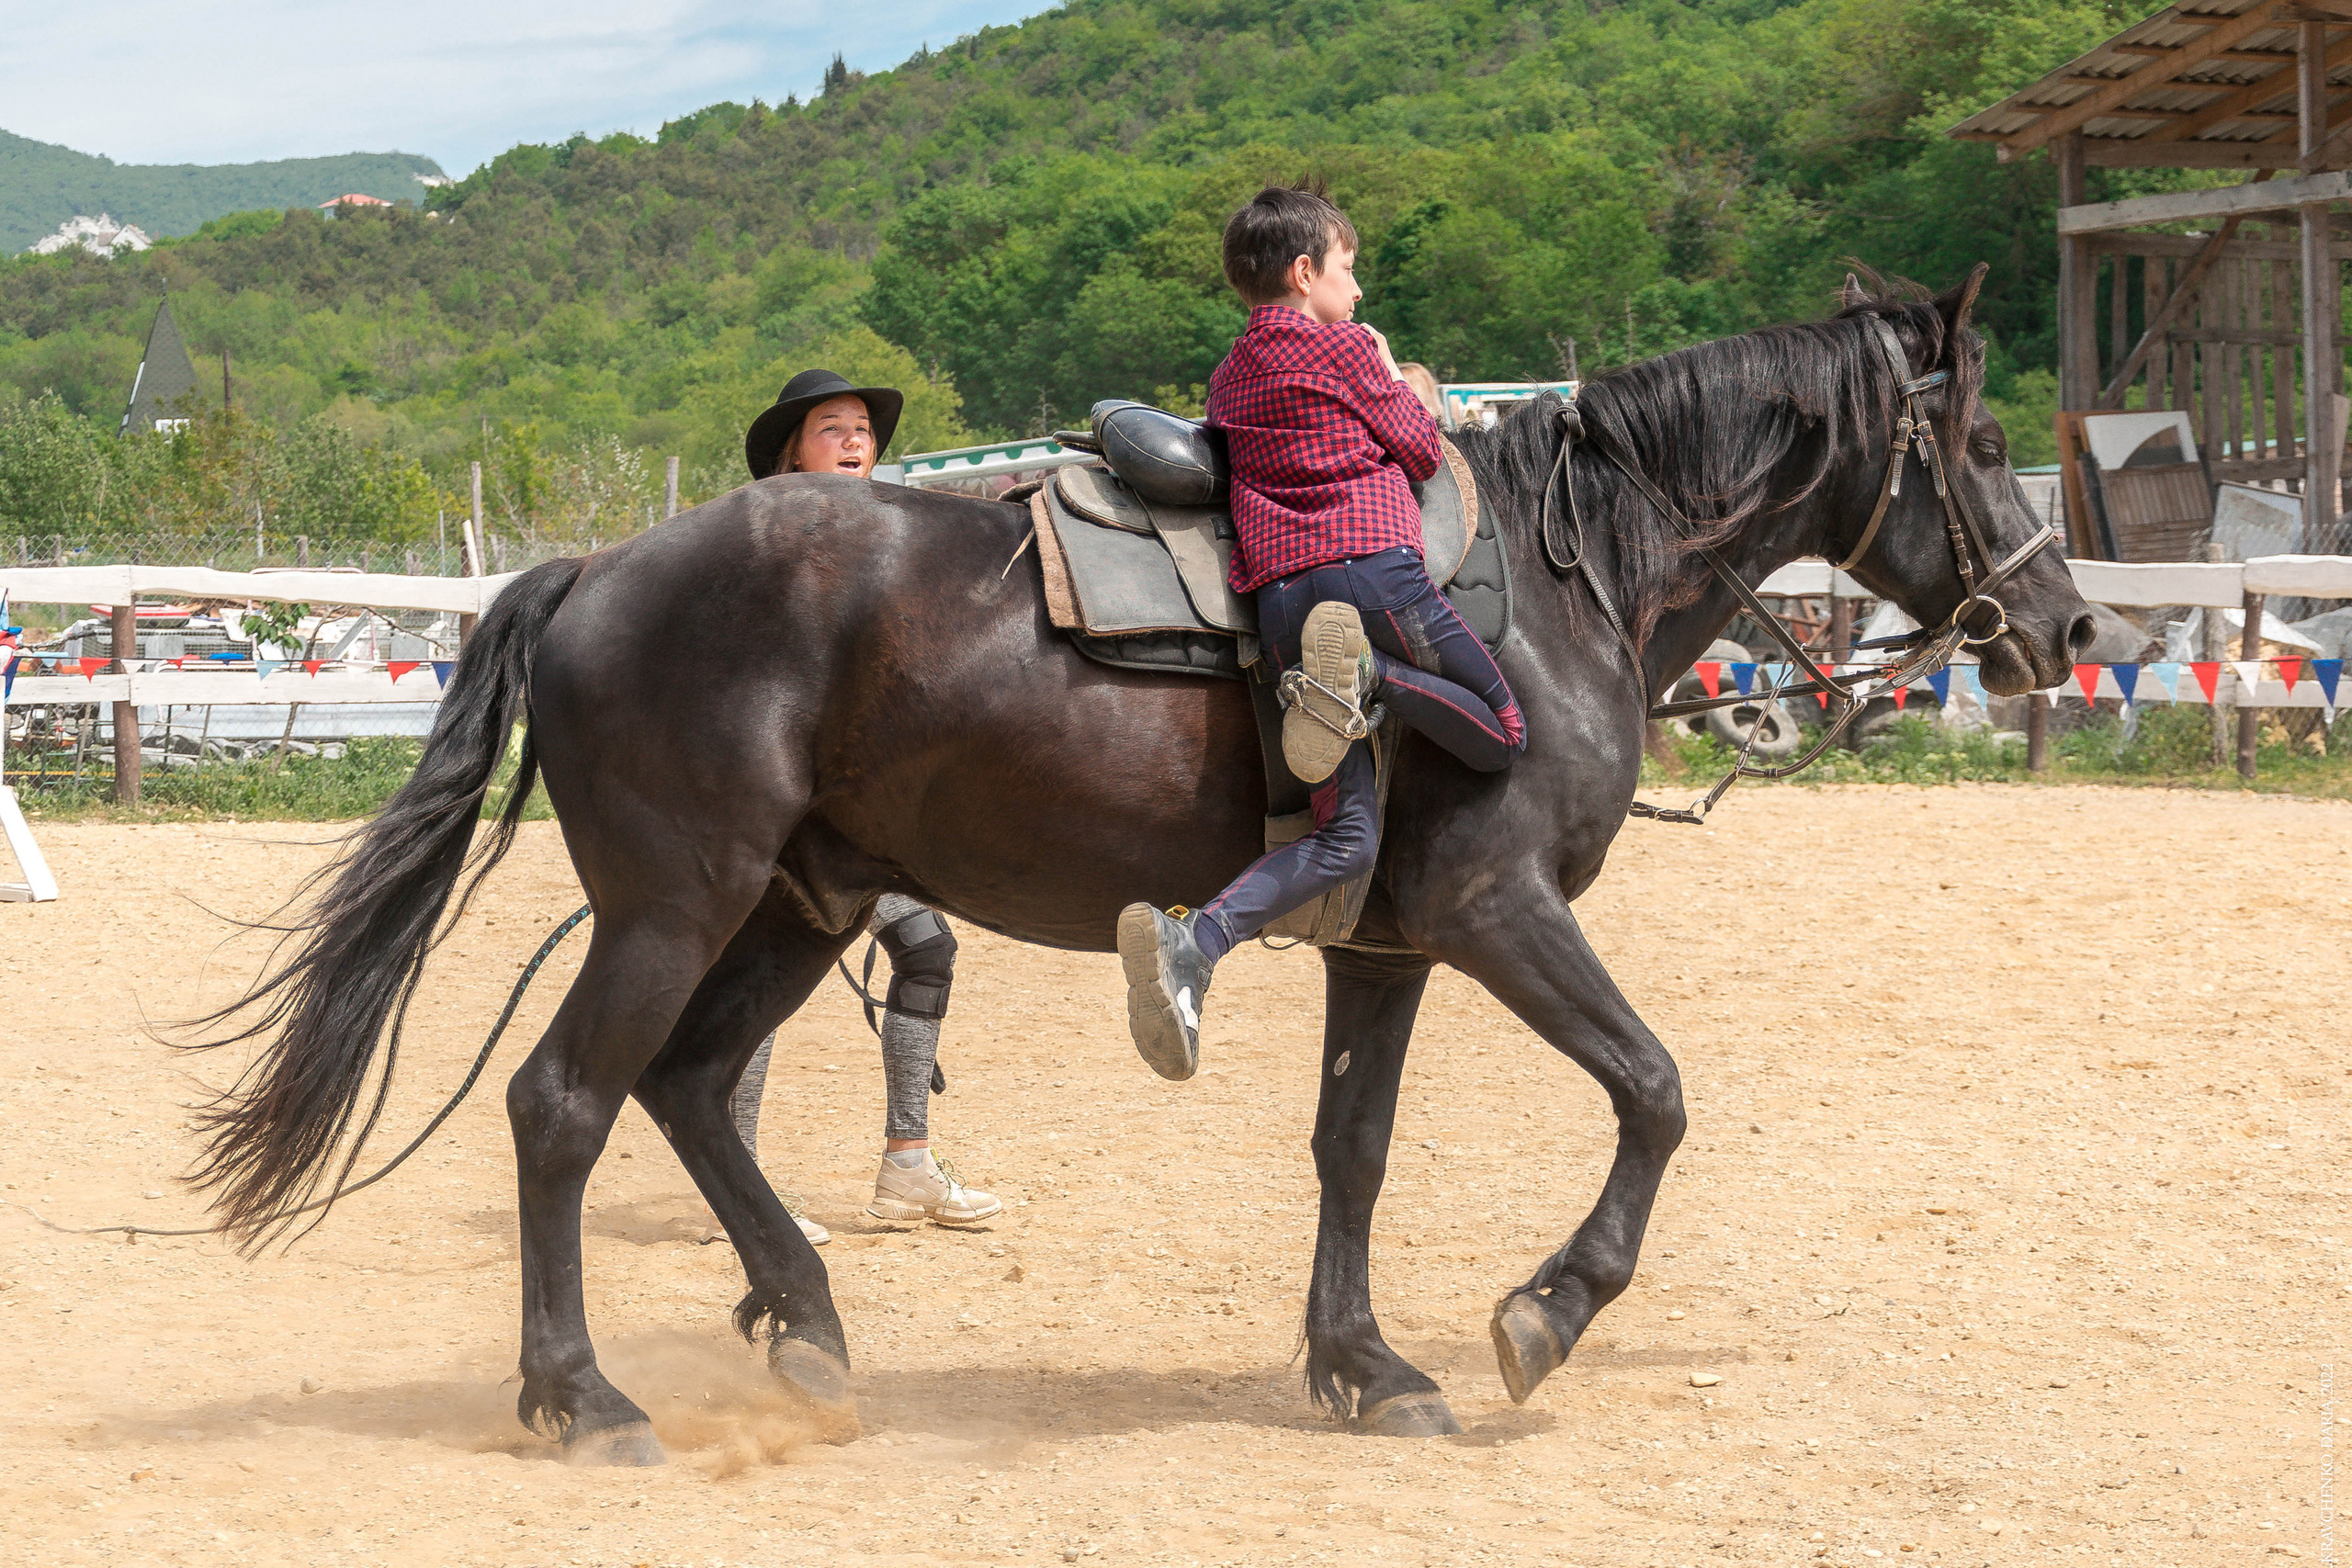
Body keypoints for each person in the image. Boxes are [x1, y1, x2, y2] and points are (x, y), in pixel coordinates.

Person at [1115, 184, 1529, 1080]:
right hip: (1374, 574)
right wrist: (1380, 367)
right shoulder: (1345, 349)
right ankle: (1370, 685)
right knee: (1504, 732)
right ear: (1304, 274)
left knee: (1344, 841)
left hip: (1278, 603)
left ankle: (1197, 942)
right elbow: (1422, 451)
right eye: (1347, 268)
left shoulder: (1228, 376)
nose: (1358, 290)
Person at [731, 367, 1004, 1240]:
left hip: (864, 819)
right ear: (790, 452)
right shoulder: (752, 546)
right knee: (756, 986)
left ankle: (908, 1166)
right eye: (831, 427)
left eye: (862, 428)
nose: (855, 440)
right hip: (772, 816)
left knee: (926, 949)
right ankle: (734, 1182)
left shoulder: (891, 543)